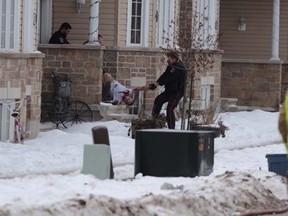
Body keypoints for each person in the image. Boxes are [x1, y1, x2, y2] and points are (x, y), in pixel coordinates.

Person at [147, 50, 187, 129]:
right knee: (158, 100)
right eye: (168, 58)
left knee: (170, 108)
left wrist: (157, 84)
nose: (168, 60)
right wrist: (156, 83)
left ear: (175, 59)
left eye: (170, 58)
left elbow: (169, 78)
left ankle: (171, 129)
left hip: (177, 91)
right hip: (170, 90)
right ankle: (154, 121)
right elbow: (165, 75)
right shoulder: (171, 66)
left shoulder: (179, 67)